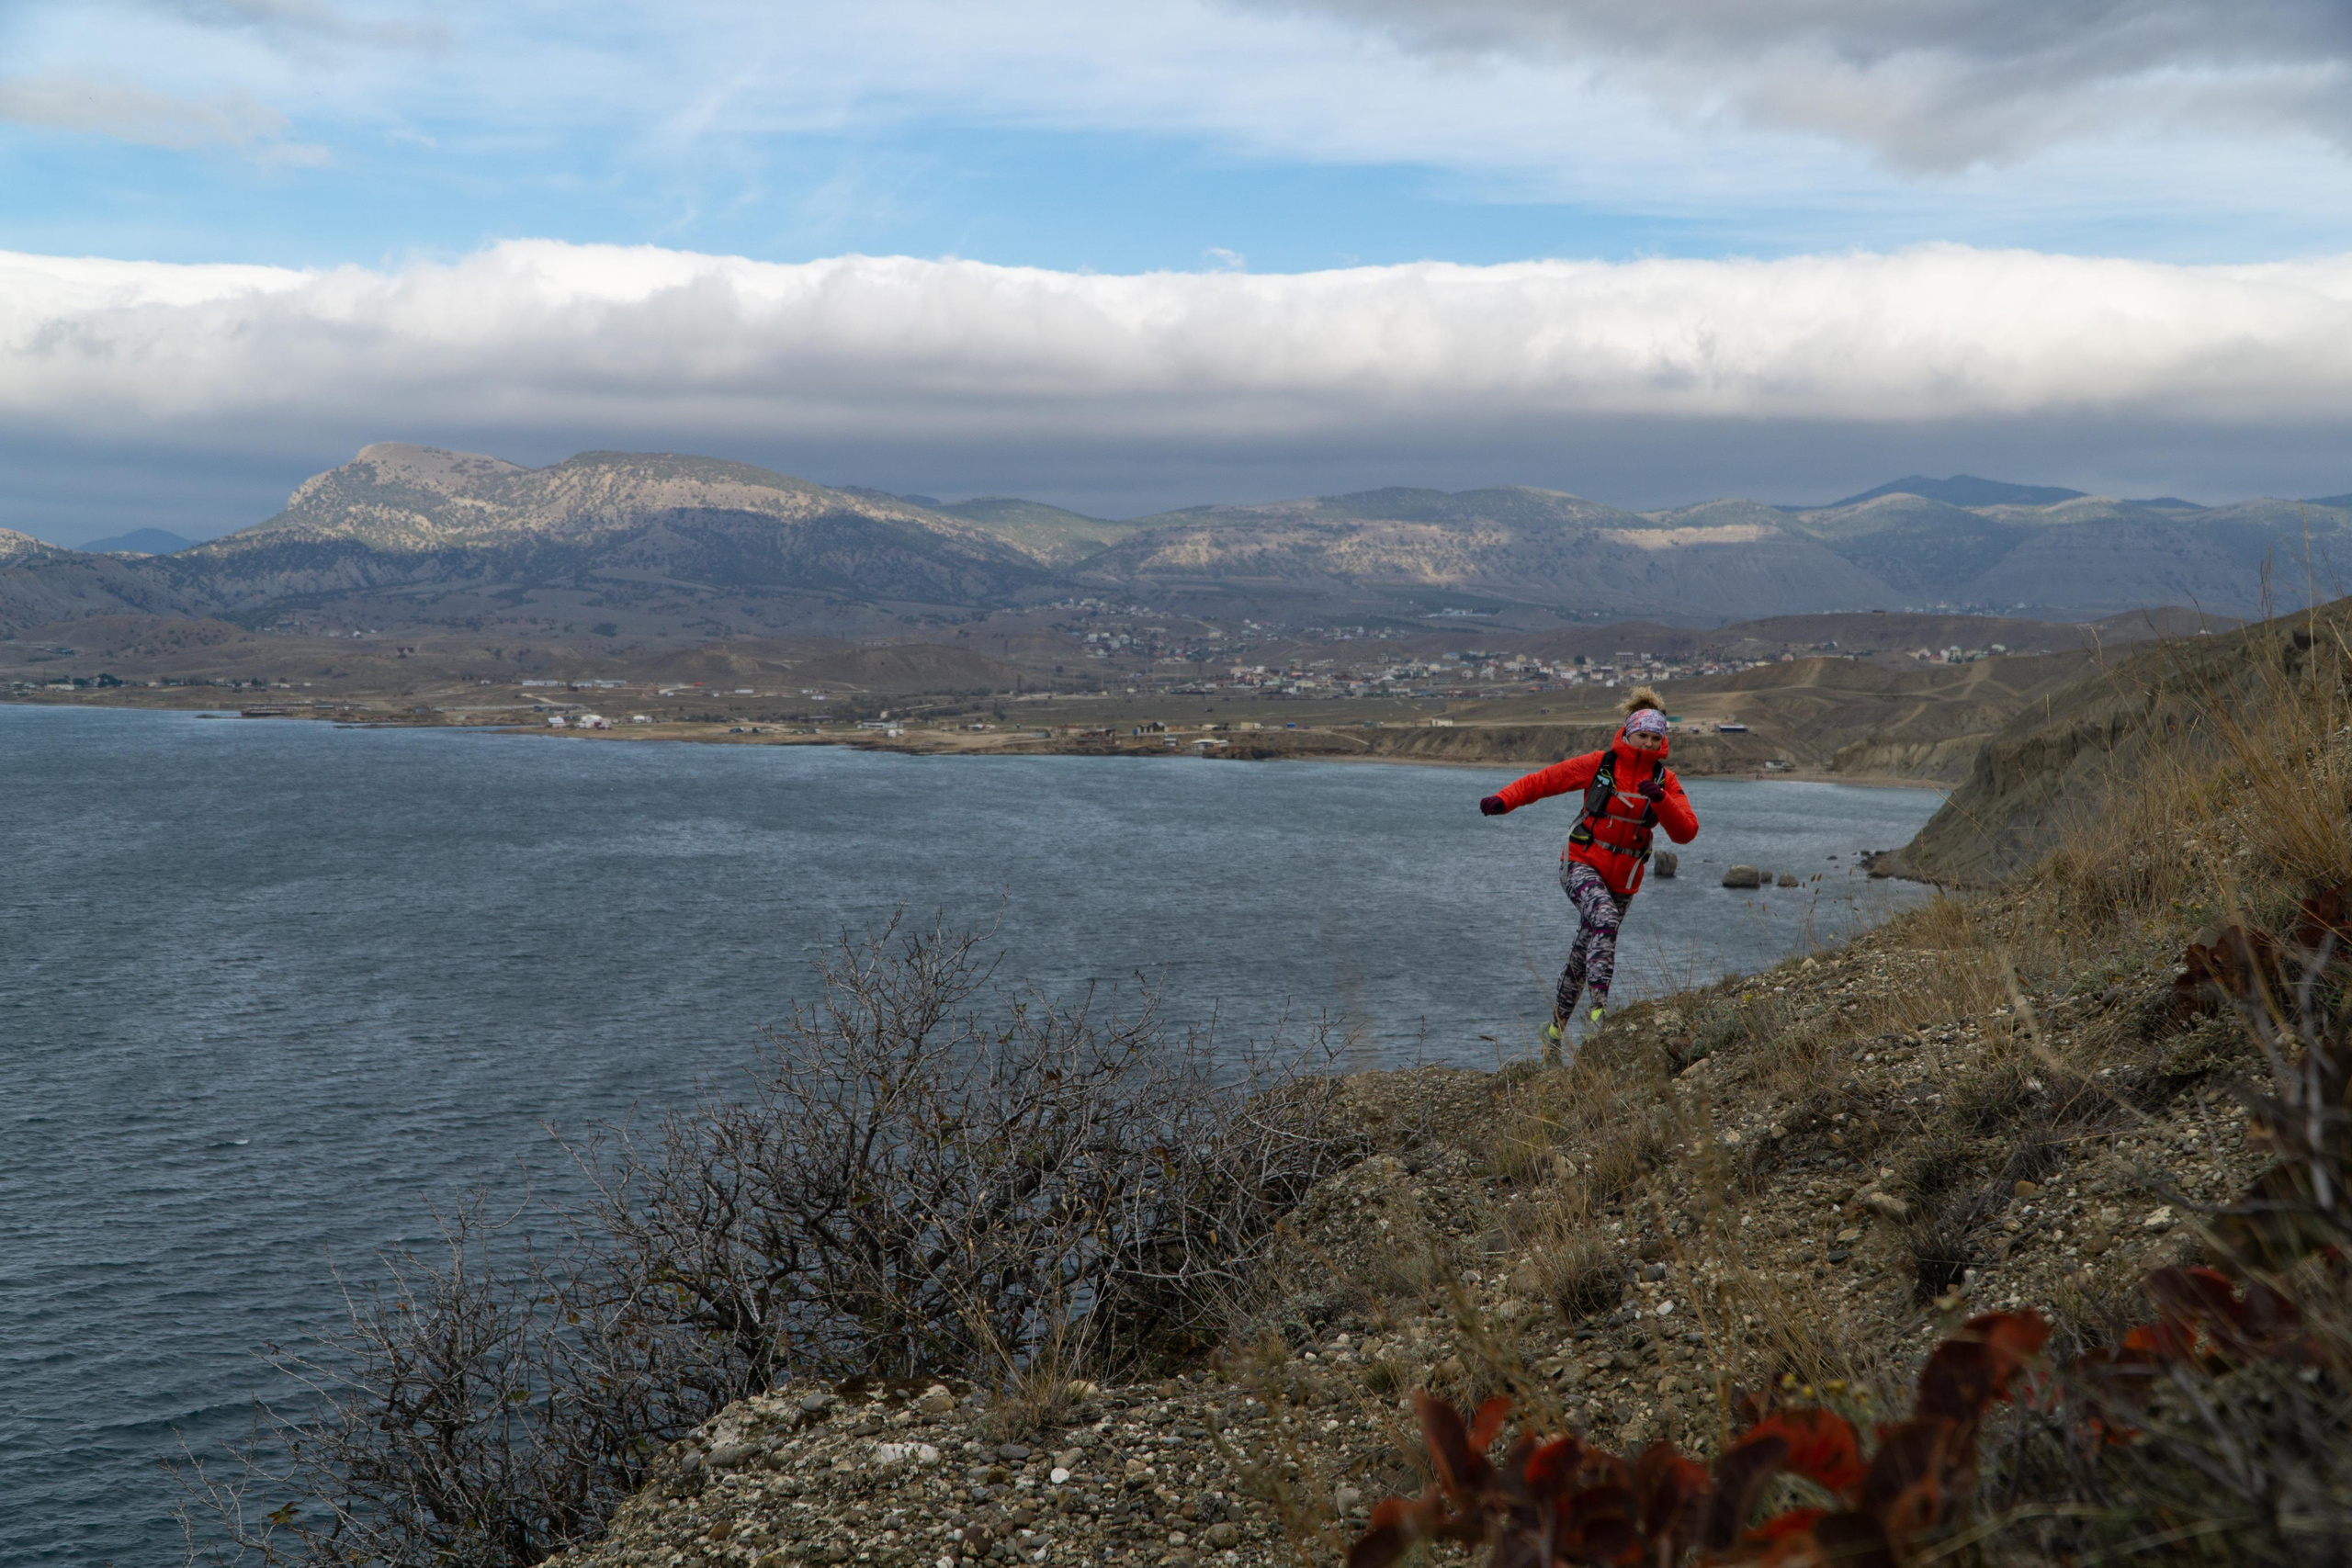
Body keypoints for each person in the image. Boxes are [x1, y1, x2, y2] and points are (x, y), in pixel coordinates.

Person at [1478, 687, 1698, 1055]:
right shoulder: (1600, 764)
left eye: (1654, 737)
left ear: (1662, 741)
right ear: (1627, 733)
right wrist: (1505, 799)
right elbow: (1545, 780)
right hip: (1581, 862)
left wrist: (1661, 802)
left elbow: (1686, 832)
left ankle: (1553, 1032)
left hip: (1625, 879)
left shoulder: (1666, 782)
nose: (1646, 742)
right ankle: (1600, 1010)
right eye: (1641, 735)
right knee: (1605, 919)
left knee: (1584, 951)